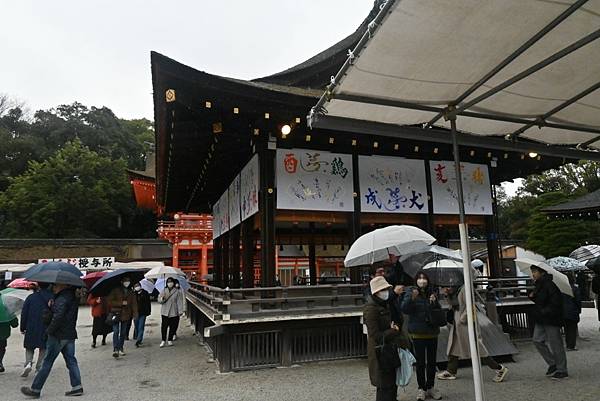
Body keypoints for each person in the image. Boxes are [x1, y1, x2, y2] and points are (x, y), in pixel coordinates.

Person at [21, 283, 83, 398]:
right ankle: (77, 386)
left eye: (55, 285)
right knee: (71, 360)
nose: (53, 287)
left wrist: (49, 331)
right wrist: (52, 306)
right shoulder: (72, 297)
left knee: (47, 362)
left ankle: (35, 389)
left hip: (58, 335)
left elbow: (58, 316)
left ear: (62, 285)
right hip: (69, 334)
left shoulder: (62, 298)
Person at [437, 285, 508, 382]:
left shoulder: (464, 288)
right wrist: (447, 295)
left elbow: (470, 306)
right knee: (453, 346)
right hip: (457, 321)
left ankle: (499, 368)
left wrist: (463, 319)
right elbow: (453, 303)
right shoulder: (455, 289)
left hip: (465, 323)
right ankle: (451, 370)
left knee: (478, 348)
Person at [363, 276, 410, 401]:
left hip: (389, 350)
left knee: (391, 385)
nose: (386, 292)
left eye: (387, 289)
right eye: (383, 289)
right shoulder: (371, 309)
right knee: (384, 387)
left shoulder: (385, 304)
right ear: (376, 292)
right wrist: (393, 330)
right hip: (380, 353)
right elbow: (375, 335)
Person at [401, 271, 442, 401]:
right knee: (420, 363)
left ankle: (430, 386)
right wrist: (412, 298)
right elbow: (404, 308)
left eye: (424, 278)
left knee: (431, 362)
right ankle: (421, 388)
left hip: (432, 332)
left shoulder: (432, 292)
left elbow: (437, 311)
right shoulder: (411, 291)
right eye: (419, 278)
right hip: (418, 333)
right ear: (416, 280)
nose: (422, 280)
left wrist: (434, 302)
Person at [529, 266, 568, 380]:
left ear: (541, 272)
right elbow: (540, 300)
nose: (533, 274)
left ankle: (562, 369)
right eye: (532, 272)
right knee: (537, 340)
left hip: (551, 318)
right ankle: (553, 363)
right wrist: (532, 296)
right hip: (541, 317)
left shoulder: (550, 285)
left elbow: (555, 302)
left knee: (556, 344)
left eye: (535, 272)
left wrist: (544, 311)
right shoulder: (538, 285)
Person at [20, 283, 53, 377]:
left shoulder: (31, 297)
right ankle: (39, 367)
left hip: (31, 325)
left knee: (29, 346)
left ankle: (28, 363)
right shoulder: (52, 297)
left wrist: (23, 327)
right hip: (45, 326)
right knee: (43, 347)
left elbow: (24, 313)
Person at [106, 276, 138, 358]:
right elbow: (109, 301)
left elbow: (134, 304)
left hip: (126, 314)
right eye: (125, 281)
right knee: (116, 331)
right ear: (121, 282)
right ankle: (115, 349)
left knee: (123, 332)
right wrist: (121, 303)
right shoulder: (115, 290)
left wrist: (135, 314)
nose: (127, 283)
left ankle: (121, 347)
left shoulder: (131, 292)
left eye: (128, 281)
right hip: (116, 313)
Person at [158, 277, 185, 348]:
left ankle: (170, 339)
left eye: (171, 282)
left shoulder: (177, 291)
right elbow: (159, 300)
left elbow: (179, 302)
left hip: (174, 311)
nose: (170, 283)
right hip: (165, 311)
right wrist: (162, 299)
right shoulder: (163, 290)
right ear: (166, 283)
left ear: (173, 283)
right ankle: (163, 340)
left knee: (173, 326)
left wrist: (180, 311)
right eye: (168, 282)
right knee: (164, 326)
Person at [562, 273, 581, 351]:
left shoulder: (562, 289)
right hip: (573, 310)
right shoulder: (575, 289)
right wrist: (579, 310)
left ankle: (568, 344)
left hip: (564, 311)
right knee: (572, 329)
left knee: (566, 329)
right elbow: (578, 300)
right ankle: (572, 345)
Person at [133, 282, 151, 347]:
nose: (137, 287)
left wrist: (148, 311)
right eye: (135, 286)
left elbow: (148, 303)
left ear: (140, 286)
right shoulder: (133, 294)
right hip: (135, 313)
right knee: (136, 327)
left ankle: (139, 340)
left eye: (138, 285)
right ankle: (137, 336)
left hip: (143, 313)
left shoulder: (145, 293)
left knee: (141, 326)